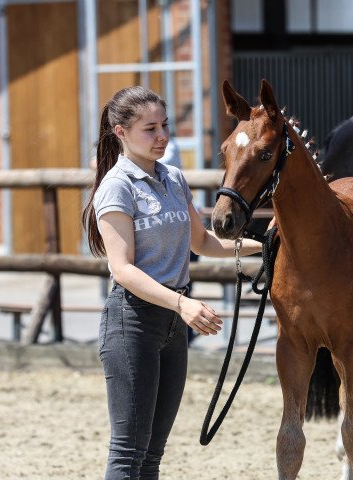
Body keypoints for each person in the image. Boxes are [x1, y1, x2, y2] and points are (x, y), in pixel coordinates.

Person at [81, 86, 263, 480]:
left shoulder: (174, 178)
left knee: (152, 455)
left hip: (172, 326)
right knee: (129, 452)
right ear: (121, 133)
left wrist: (263, 246)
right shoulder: (118, 186)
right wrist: (183, 305)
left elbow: (201, 241)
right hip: (134, 323)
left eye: (164, 125)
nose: (162, 136)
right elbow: (123, 269)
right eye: (150, 128)